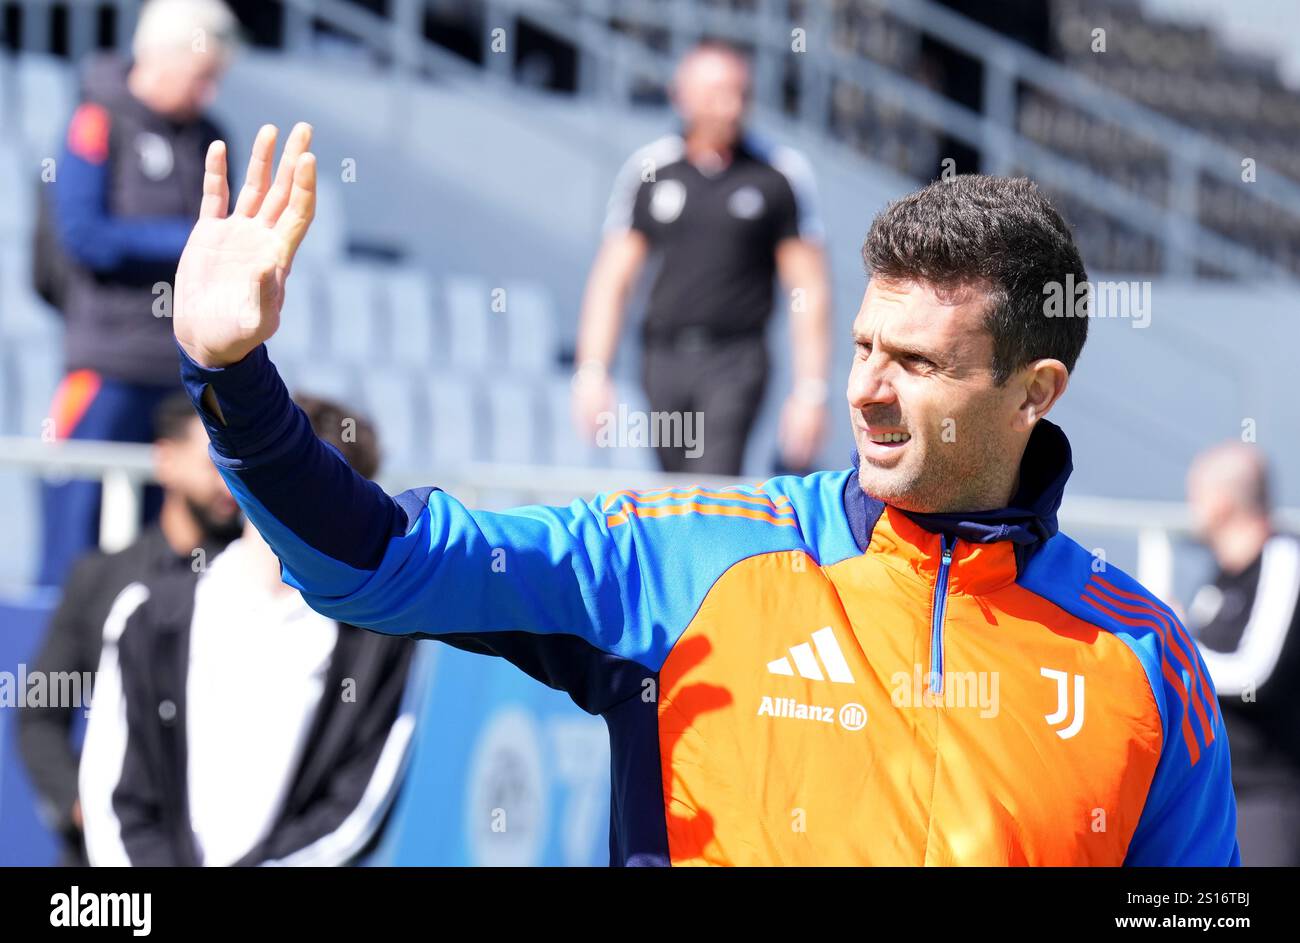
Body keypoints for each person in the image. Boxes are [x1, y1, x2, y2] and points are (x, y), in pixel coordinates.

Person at [170, 123, 1238, 866]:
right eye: (861, 344)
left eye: (914, 363)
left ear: (1032, 391)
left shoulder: (1142, 655)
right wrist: (233, 379)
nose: (862, 386)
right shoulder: (679, 557)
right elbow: (379, 562)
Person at [82, 395, 417, 867]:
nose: (312, 507)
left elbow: (356, 810)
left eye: (340, 495)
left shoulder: (379, 643)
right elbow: (112, 798)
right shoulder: (148, 614)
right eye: (293, 478)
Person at [38, 0, 238, 588]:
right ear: (161, 57)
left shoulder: (211, 136)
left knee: (177, 553)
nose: (208, 91)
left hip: (182, 376)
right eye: (203, 75)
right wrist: (191, 240)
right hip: (105, 369)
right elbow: (84, 236)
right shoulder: (96, 120)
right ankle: (54, 679)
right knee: (72, 543)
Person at [573, 40, 831, 476]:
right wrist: (593, 371)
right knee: (676, 488)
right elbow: (613, 280)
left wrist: (811, 392)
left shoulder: (777, 174)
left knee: (712, 482)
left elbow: (808, 289)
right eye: (716, 94)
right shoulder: (651, 170)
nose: (730, 107)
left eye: (740, 94)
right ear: (682, 95)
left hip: (736, 358)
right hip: (662, 357)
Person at [17, 392, 241, 865]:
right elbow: (39, 714)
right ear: (166, 461)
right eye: (214, 463)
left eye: (238, 467)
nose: (229, 485)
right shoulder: (99, 578)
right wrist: (81, 807)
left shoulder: (258, 582)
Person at [1185, 442, 1300, 866]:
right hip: (1217, 794)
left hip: (1268, 799)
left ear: (1219, 502)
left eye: (1194, 493)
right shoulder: (1220, 575)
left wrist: (1178, 652)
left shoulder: (1284, 557)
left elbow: (1256, 674)